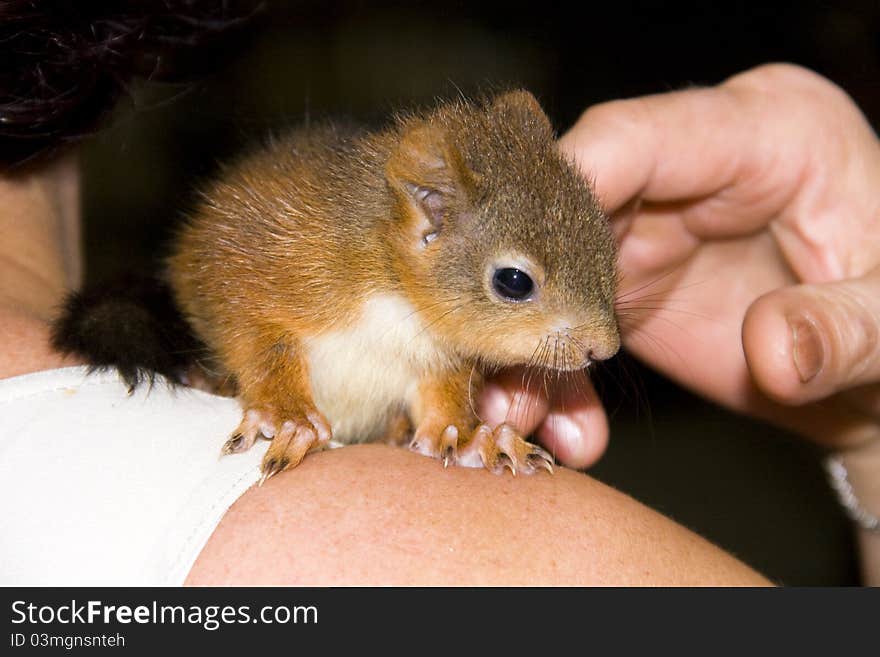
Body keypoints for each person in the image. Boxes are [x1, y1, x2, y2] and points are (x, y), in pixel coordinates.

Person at [1, 61, 876, 585]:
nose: (604, 344)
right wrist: (276, 390)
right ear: (425, 220)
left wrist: (452, 425)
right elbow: (231, 263)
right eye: (517, 284)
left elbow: (438, 369)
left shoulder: (441, 324)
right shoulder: (315, 252)